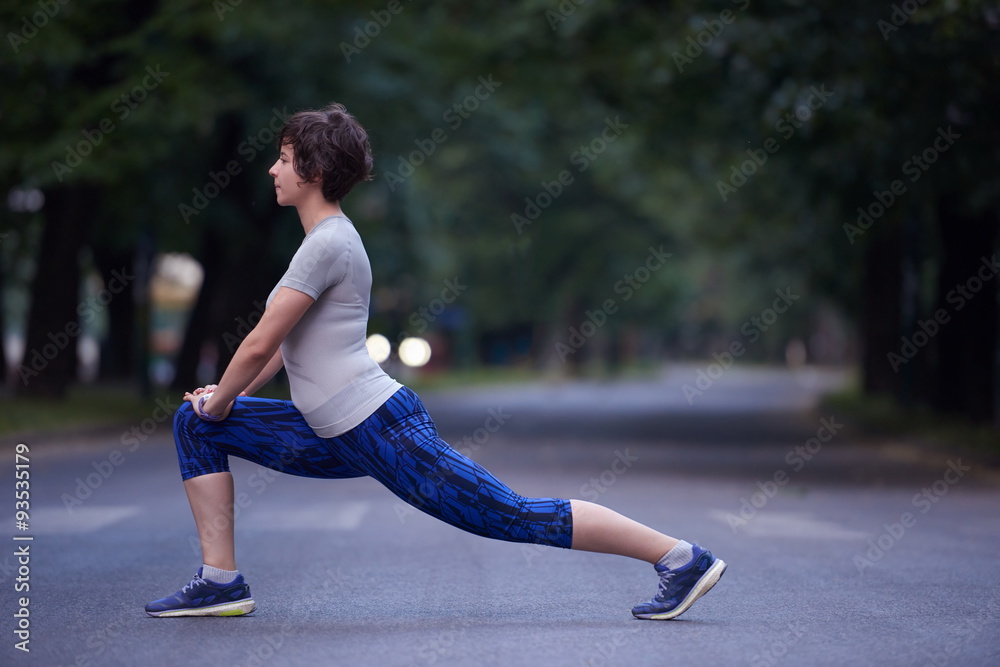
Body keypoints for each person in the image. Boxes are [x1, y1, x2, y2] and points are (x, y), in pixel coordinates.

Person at [145, 102, 726, 620]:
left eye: (283, 158)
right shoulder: (321, 244)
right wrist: (220, 402)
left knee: (515, 516)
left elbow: (254, 344)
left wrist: (221, 397)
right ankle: (221, 582)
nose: (272, 169)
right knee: (195, 424)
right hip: (332, 431)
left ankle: (680, 558)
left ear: (314, 173)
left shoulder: (328, 244)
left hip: (378, 427)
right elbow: (274, 350)